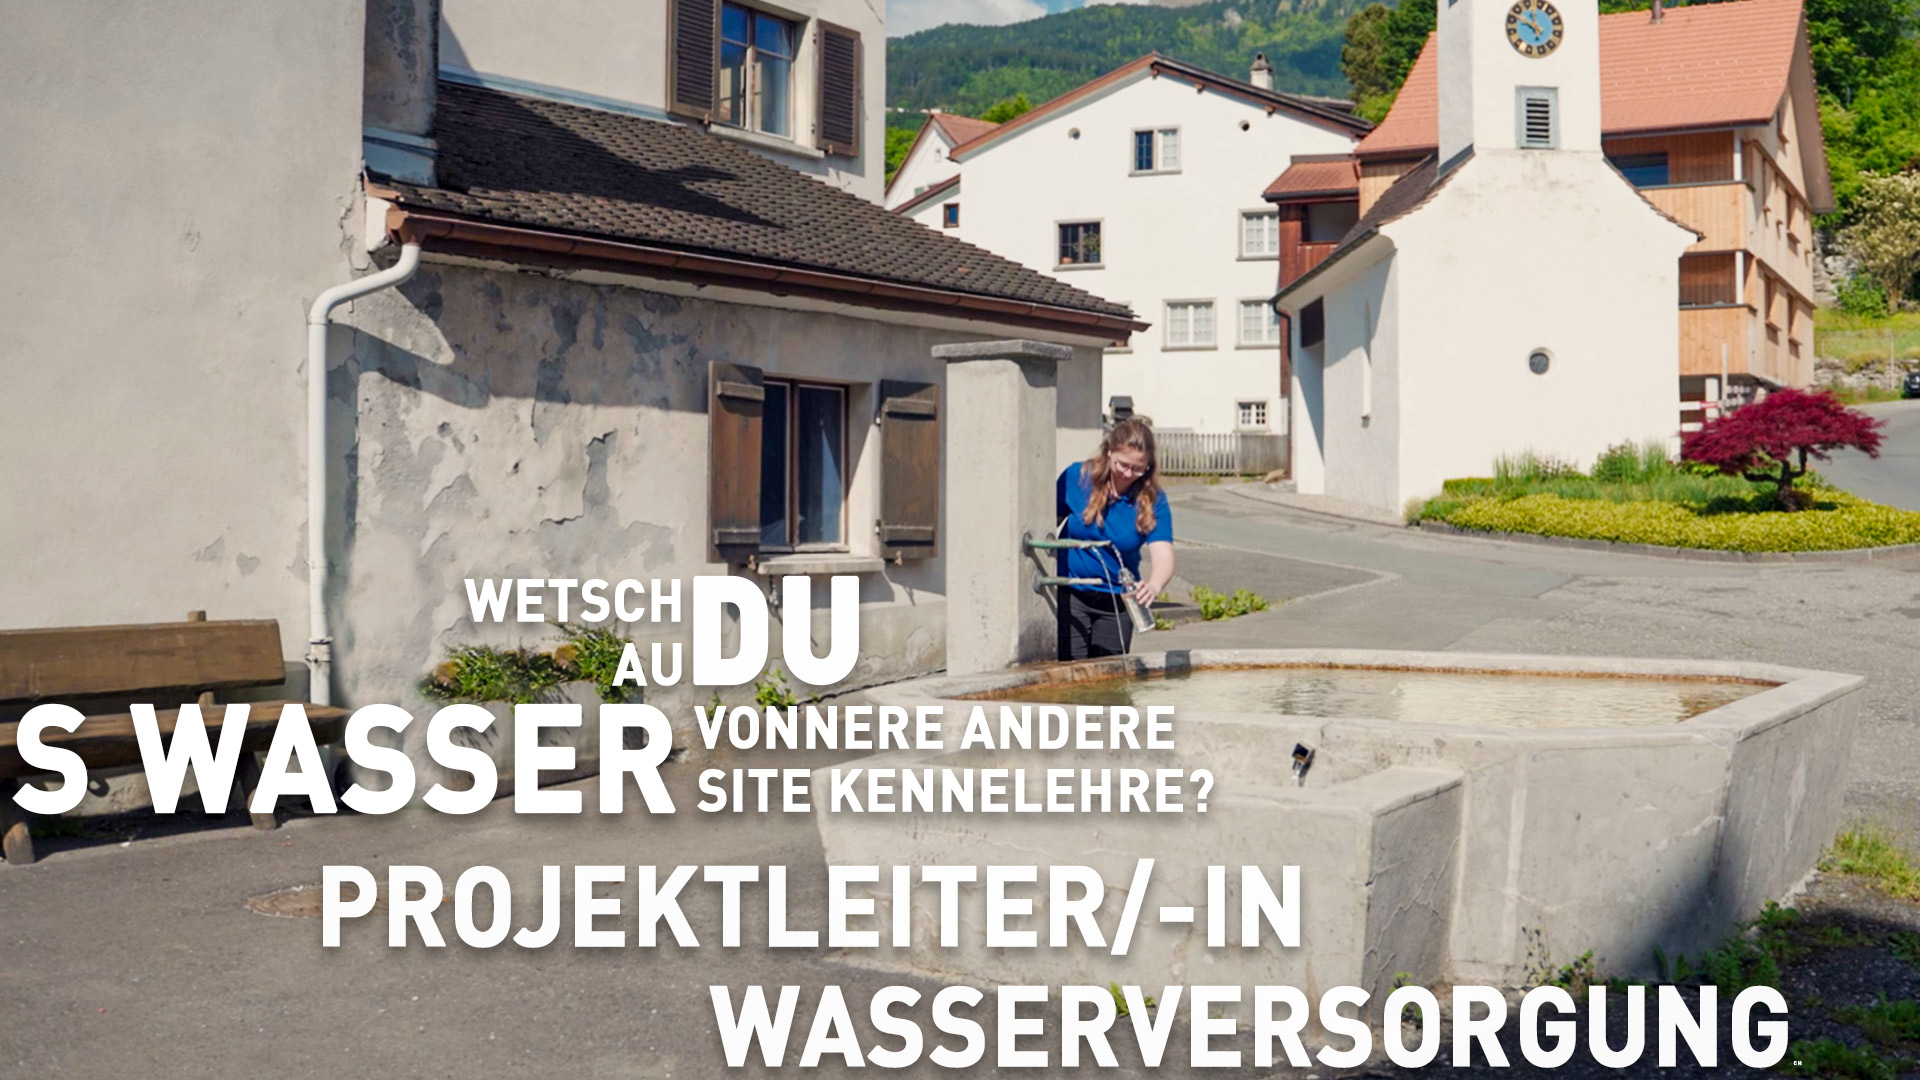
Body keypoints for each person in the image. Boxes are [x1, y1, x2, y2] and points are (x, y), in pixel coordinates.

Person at [1055, 419, 1175, 660]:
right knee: (1073, 677)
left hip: (1118, 602)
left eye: (1138, 468)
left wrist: (1154, 586)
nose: (1128, 474)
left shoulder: (1153, 499)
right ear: (1109, 452)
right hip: (1072, 594)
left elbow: (1163, 555)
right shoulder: (1075, 478)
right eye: (1122, 464)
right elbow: (1043, 523)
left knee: (1109, 681)